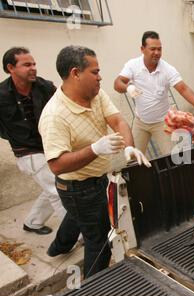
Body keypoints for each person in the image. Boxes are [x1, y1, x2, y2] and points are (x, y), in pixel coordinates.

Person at [38, 45, 150, 278]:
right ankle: (92, 287)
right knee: (98, 241)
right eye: (95, 71)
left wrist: (129, 146)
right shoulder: (54, 115)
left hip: (99, 178)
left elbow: (118, 121)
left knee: (78, 216)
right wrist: (94, 149)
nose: (100, 77)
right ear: (75, 73)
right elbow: (57, 165)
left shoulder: (95, 94)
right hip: (77, 186)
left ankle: (57, 247)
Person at [0, 47, 65, 235]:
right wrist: (14, 137)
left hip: (50, 146)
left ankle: (33, 222)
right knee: (57, 189)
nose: (33, 68)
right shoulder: (2, 95)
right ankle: (78, 235)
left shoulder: (45, 86)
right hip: (26, 152)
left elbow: (61, 108)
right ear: (10, 68)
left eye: (34, 64)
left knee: (51, 186)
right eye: (27, 64)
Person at [114, 31, 194, 156]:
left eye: (159, 49)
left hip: (162, 122)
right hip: (140, 121)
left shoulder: (167, 69)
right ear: (142, 49)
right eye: (152, 49)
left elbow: (183, 89)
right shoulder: (133, 65)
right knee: (133, 157)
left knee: (171, 157)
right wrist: (128, 87)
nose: (157, 53)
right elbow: (118, 83)